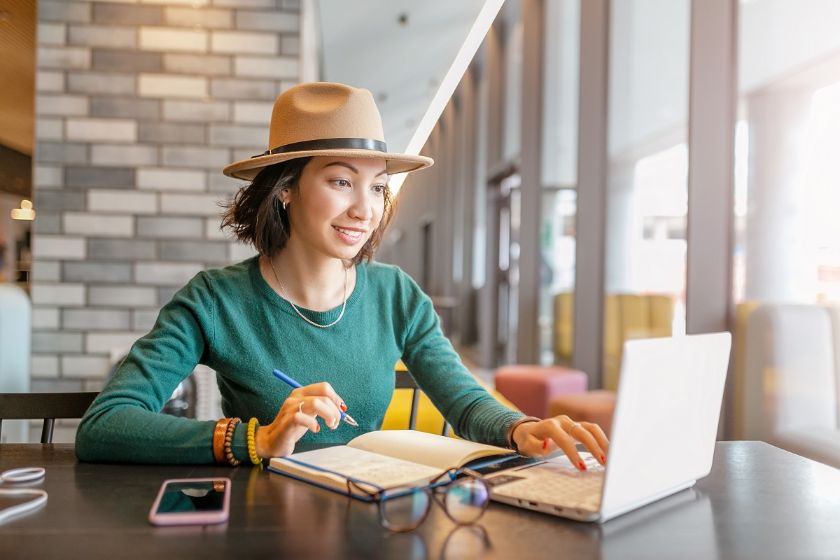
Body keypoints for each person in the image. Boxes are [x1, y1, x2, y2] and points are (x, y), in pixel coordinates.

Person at [75, 82, 609, 470]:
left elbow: (464, 400)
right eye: (340, 181)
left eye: (377, 187)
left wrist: (521, 427)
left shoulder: (396, 295)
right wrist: (256, 440)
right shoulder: (215, 301)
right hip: (261, 526)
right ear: (286, 188)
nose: (365, 209)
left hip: (369, 519)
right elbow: (106, 424)